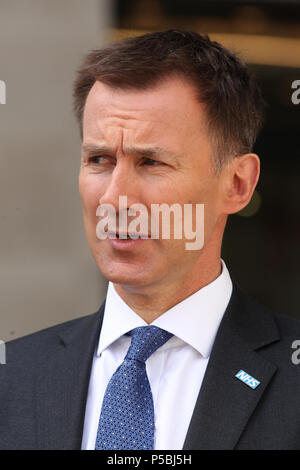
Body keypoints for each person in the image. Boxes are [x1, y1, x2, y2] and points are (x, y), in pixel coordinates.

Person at [1, 30, 300, 450]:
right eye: (99, 160)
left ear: (237, 184)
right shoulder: (12, 379)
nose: (114, 199)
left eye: (151, 162)